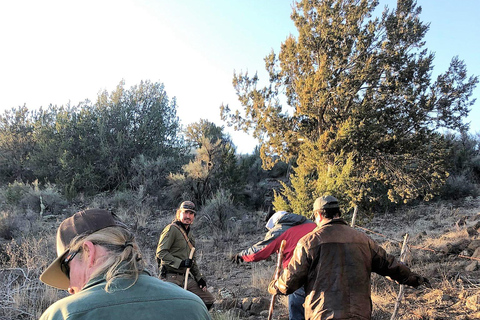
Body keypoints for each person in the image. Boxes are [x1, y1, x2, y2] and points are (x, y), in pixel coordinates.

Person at [268, 196, 431, 320]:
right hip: (359, 314)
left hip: (323, 315)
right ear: (339, 213)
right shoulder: (363, 240)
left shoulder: (308, 242)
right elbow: (391, 265)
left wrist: (274, 286)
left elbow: (289, 282)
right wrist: (415, 279)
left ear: (318, 215)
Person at [39, 208, 211, 320]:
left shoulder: (62, 315)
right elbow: (162, 253)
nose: (69, 287)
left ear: (88, 252)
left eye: (65, 268)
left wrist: (197, 276)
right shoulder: (194, 307)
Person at [231, 210, 316, 320]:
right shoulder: (312, 224)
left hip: (297, 274)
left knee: (297, 311)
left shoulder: (279, 230)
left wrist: (242, 255)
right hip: (321, 271)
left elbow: (260, 251)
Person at [156, 201, 215, 310]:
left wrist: (199, 278)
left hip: (185, 278)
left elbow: (192, 261)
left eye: (191, 213)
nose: (188, 216)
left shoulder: (190, 235)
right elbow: (161, 252)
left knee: (208, 300)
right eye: (185, 213)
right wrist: (180, 263)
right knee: (173, 308)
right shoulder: (171, 229)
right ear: (179, 214)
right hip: (170, 277)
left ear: (194, 216)